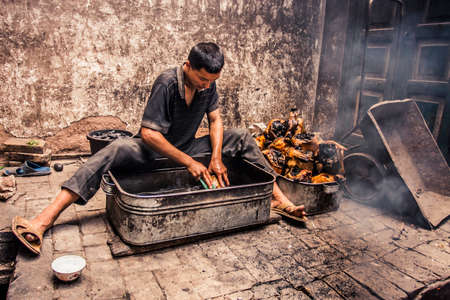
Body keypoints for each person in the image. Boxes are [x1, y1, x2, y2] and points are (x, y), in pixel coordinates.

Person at [11, 42, 306, 255]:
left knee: (240, 136)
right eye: (202, 79)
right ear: (188, 66)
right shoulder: (166, 82)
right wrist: (189, 162)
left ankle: (278, 199)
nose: (206, 86)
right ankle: (42, 220)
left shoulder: (208, 84)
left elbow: (215, 119)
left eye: (212, 81)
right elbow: (150, 135)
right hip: (150, 150)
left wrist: (215, 158)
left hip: (188, 146)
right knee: (111, 151)